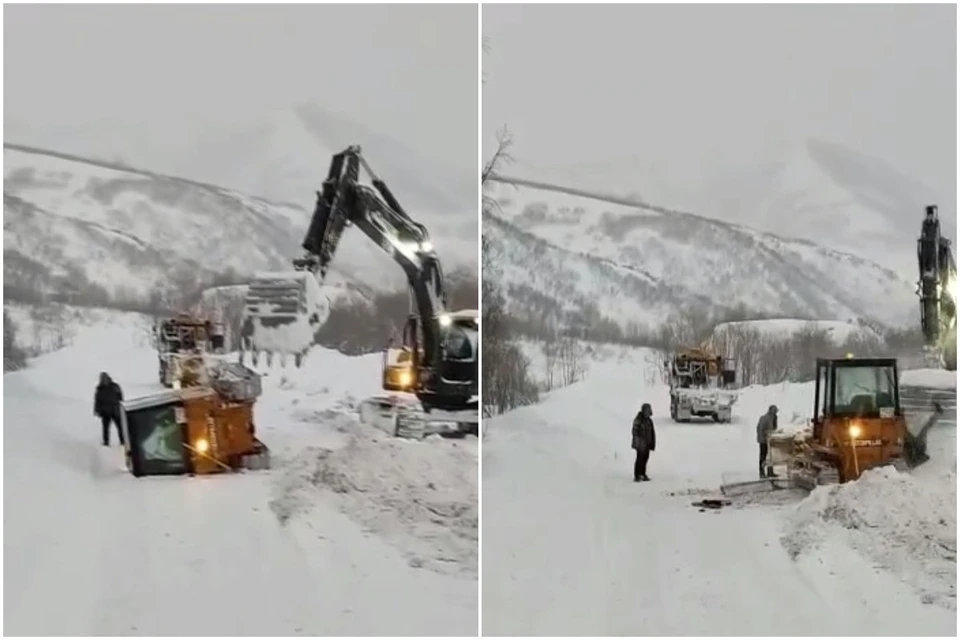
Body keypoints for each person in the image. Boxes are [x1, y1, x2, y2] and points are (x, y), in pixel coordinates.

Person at [94, 372, 125, 447]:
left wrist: (119, 405)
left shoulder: (114, 386)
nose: (103, 380)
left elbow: (120, 397)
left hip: (115, 410)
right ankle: (106, 442)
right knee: (105, 429)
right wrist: (97, 410)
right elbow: (97, 401)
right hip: (105, 412)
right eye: (102, 379)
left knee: (120, 427)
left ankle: (123, 441)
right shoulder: (100, 389)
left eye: (104, 378)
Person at [631, 403, 657, 482]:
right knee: (639, 459)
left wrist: (651, 442)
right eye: (647, 410)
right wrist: (639, 441)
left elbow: (652, 432)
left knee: (645, 458)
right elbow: (634, 431)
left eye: (649, 410)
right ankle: (637, 475)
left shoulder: (649, 420)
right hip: (640, 444)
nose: (648, 412)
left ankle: (643, 473)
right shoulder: (638, 419)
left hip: (647, 443)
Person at [757, 404, 778, 478]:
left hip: (770, 441)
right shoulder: (764, 418)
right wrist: (765, 437)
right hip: (763, 441)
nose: (776, 413)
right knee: (763, 456)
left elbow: (773, 428)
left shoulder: (773, 418)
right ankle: (762, 472)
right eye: (775, 411)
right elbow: (760, 429)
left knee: (770, 457)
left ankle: (770, 472)